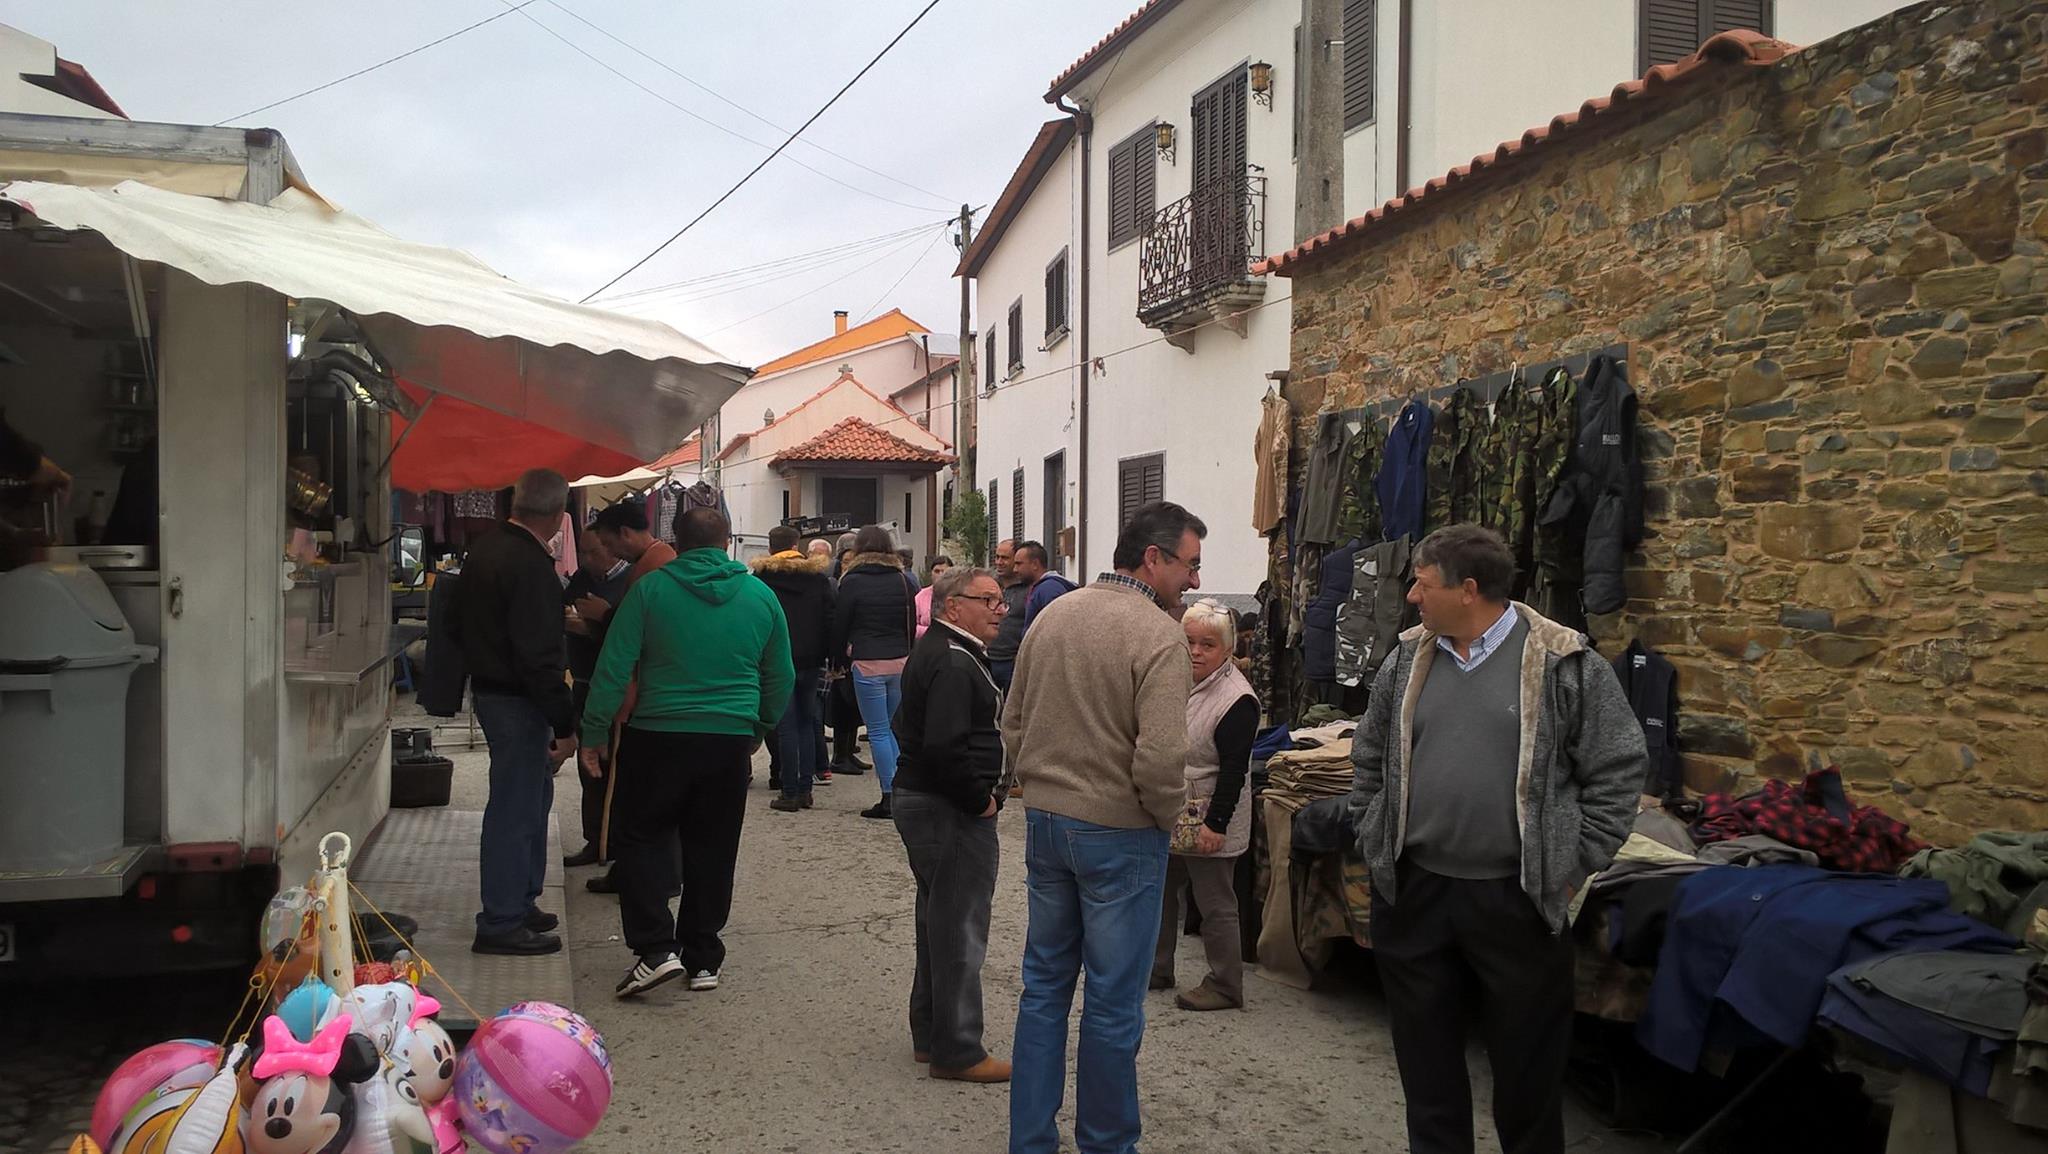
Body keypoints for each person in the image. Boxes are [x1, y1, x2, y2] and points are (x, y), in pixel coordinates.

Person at [1350, 524, 1647, 1154]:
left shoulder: (1565, 664)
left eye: (1422, 584)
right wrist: (1372, 826)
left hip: (1517, 900)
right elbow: (1369, 754)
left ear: (1469, 589)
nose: (1411, 597)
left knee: (1527, 1078)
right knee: (1427, 1075)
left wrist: (1572, 864)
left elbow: (1618, 767)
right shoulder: (1407, 660)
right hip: (1417, 895)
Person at [1003, 501, 1206, 1154]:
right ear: (1153, 559)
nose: (1195, 581)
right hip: (1120, 830)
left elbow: (1011, 719)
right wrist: (1164, 813)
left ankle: (1030, 1141)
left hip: (1047, 823)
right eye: (1190, 565)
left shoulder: (1053, 614)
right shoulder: (1157, 634)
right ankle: (1106, 1144)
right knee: (1114, 1005)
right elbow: (1163, 755)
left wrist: (1035, 784)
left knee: (1043, 991)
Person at [580, 507, 794, 998]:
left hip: (658, 733)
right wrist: (756, 726)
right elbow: (780, 675)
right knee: (714, 847)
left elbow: (615, 666)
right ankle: (703, 957)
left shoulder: (649, 591)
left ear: (676, 542)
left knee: (640, 839)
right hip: (727, 739)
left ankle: (655, 949)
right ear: (727, 543)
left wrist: (593, 731)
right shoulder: (760, 596)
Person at [890, 565, 1012, 1083]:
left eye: (1000, 601)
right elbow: (943, 744)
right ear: (951, 605)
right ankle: (958, 1049)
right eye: (987, 600)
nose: (998, 610)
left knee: (936, 919)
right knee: (960, 928)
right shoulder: (952, 659)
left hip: (927, 800)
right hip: (948, 807)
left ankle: (930, 1033)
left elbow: (904, 724)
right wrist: (979, 799)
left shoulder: (944, 651)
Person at [455, 469, 578, 957]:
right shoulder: (529, 565)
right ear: (557, 515)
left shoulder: (487, 548)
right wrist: (566, 723)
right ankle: (502, 918)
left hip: (494, 689)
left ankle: (520, 902)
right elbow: (539, 655)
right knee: (515, 806)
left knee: (530, 799)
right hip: (517, 698)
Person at [1150, 599, 1257, 1011]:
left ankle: (1226, 984)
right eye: (1189, 642)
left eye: (1207, 645)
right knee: (1159, 892)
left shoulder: (1235, 700)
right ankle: (1157, 968)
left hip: (1212, 816)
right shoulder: (1181, 680)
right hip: (1177, 810)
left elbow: (1234, 771)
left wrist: (1216, 824)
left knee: (1215, 904)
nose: (1195, 651)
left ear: (1227, 649)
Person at [580, 499, 681, 895]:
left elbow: (628, 648)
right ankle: (649, 872)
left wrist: (603, 616)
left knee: (635, 794)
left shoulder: (652, 569)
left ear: (624, 534)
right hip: (655, 694)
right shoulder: (658, 561)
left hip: (638, 695)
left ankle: (641, 874)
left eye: (606, 543)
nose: (608, 553)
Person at [832, 525, 917, 820]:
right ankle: (902, 789)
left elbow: (840, 623)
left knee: (878, 730)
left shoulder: (851, 581)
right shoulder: (902, 579)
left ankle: (889, 795)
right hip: (900, 661)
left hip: (868, 661)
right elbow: (911, 621)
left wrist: (837, 659)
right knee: (893, 729)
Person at [753, 525, 835, 813]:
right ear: (797, 544)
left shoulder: (762, 579)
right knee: (806, 722)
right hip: (812, 660)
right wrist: (831, 658)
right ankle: (805, 788)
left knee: (785, 725)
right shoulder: (817, 577)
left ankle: (789, 792)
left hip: (777, 660)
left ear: (771, 547)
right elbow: (830, 620)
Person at [562, 528, 631, 868]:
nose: (586, 560)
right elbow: (566, 612)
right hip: (584, 681)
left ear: (612, 546)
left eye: (592, 552)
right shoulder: (581, 578)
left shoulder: (631, 580)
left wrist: (594, 624)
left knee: (615, 766)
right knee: (588, 767)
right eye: (584, 553)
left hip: (616, 688)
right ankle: (596, 841)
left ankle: (617, 846)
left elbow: (625, 635)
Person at [985, 539, 1027, 691]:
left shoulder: (1029, 592)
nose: (999, 562)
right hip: (988, 659)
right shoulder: (989, 588)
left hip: (1012, 662)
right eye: (997, 557)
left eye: (1004, 558)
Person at [1013, 541, 1077, 630]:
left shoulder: (1049, 590)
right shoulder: (1040, 588)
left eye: (1019, 564)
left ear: (1035, 564)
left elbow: (1057, 628)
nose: (1015, 569)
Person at [913, 554, 954, 639]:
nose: (940, 575)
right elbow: (912, 625)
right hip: (925, 643)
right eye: (937, 571)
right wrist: (930, 632)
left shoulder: (959, 595)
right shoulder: (921, 596)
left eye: (944, 571)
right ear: (931, 573)